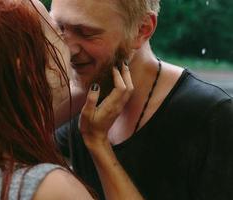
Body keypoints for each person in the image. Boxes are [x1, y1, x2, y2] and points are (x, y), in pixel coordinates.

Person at [0, 0, 145, 199]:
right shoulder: (48, 187)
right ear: (24, 65)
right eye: (58, 31)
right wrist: (97, 141)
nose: (70, 49)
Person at [51, 0, 233, 199]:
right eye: (59, 28)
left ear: (142, 30)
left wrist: (97, 142)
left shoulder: (212, 116)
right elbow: (15, 143)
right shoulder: (82, 102)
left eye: (86, 33)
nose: (68, 49)